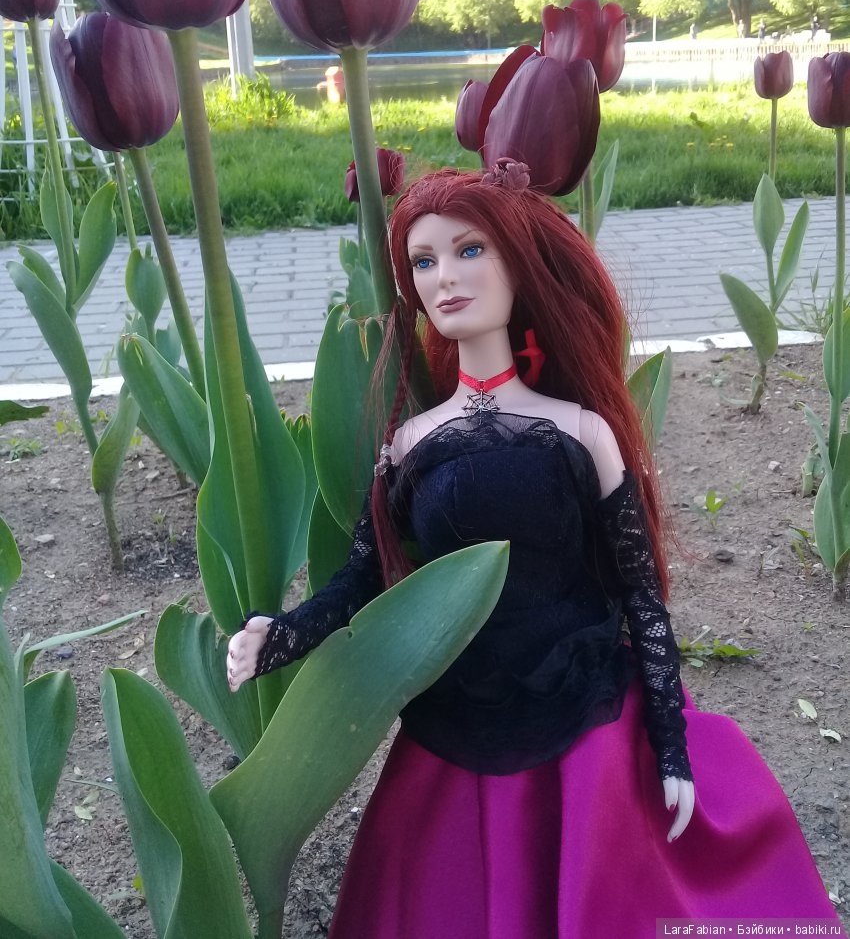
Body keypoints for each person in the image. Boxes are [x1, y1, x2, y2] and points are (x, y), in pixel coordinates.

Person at [227, 164, 840, 937]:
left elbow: (641, 594)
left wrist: (671, 742)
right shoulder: (409, 446)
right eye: (424, 261)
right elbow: (361, 581)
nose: (445, 278)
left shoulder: (581, 432)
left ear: (517, 262)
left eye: (469, 250)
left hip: (578, 709)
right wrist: (280, 635)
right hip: (460, 720)